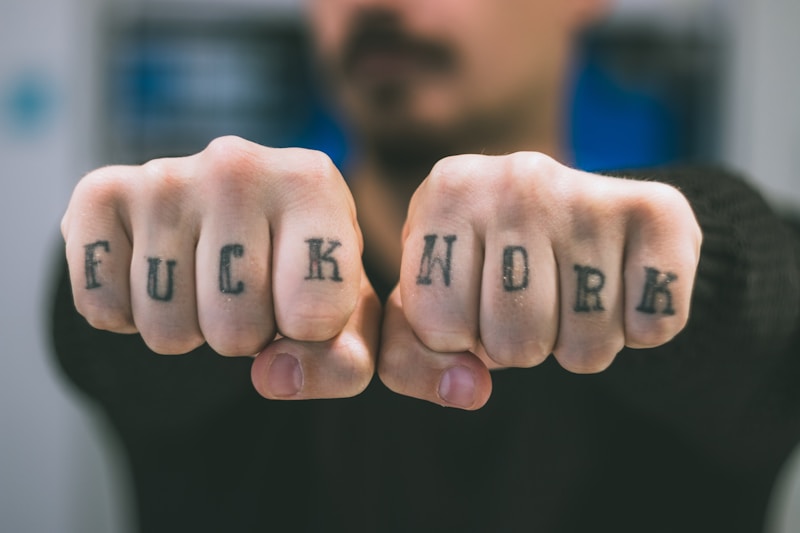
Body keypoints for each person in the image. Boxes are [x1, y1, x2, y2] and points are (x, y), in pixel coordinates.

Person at [52, 0, 800, 532]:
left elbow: (774, 318)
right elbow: (100, 336)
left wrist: (695, 265)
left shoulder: (732, 315)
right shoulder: (212, 285)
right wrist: (146, 259)